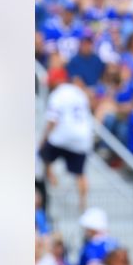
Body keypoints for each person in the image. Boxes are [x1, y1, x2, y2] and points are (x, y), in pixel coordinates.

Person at [39, 74, 95, 212]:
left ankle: (51, 178)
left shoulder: (57, 94)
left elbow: (53, 120)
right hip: (82, 137)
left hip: (63, 135)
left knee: (43, 154)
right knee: (80, 173)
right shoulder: (79, 92)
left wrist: (43, 138)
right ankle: (83, 203)